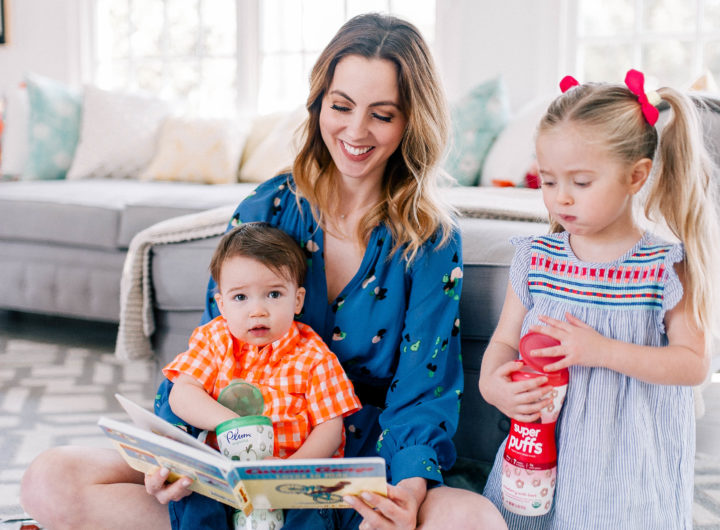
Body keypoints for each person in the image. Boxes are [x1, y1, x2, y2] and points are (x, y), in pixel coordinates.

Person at [20, 13, 506, 530]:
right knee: (48, 480)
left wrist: (403, 495)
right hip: (236, 457)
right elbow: (211, 346)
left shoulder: (428, 239)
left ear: (413, 119)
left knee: (472, 521)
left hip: (360, 467)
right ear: (319, 102)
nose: (355, 131)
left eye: (382, 115)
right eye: (340, 106)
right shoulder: (268, 207)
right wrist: (175, 451)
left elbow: (424, 392)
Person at [479, 69, 720, 528]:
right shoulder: (535, 260)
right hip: (540, 451)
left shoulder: (663, 267)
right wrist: (493, 385)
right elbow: (504, 343)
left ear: (636, 176)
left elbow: (693, 365)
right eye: (548, 181)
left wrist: (602, 351)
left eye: (581, 182)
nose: (561, 198)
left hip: (628, 465)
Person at [161, 221, 360, 461]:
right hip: (220, 469)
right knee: (104, 467)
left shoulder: (315, 357)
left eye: (274, 294)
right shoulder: (214, 339)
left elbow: (330, 429)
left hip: (288, 478)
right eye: (240, 297)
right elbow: (182, 394)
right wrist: (232, 423)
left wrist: (291, 470)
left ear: (297, 301)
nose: (257, 311)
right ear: (222, 305)